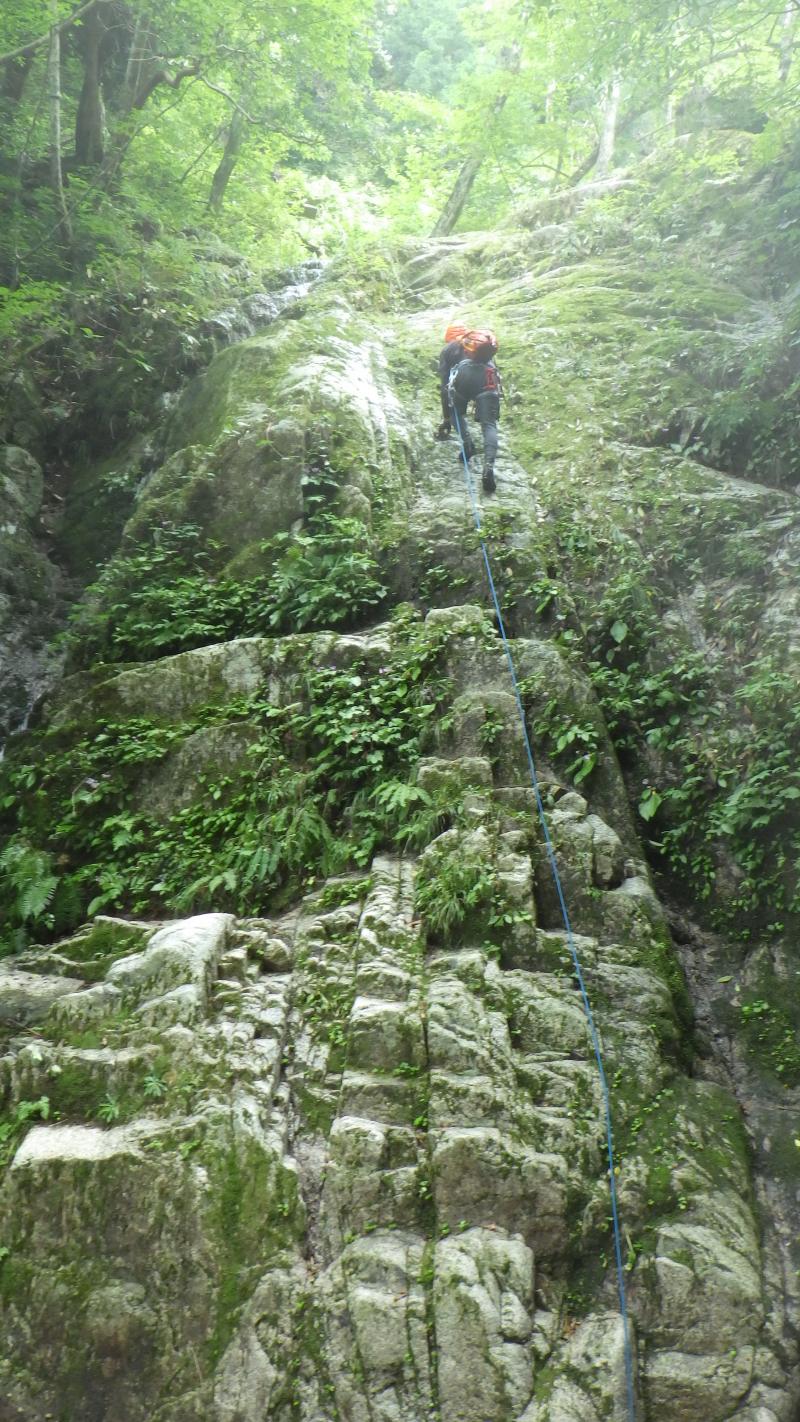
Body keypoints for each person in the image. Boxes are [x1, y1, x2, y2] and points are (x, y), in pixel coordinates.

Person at [435, 325, 501, 494]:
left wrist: (447, 418)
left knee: (455, 412)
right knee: (489, 425)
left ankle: (467, 443)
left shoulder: (448, 349)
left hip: (464, 378)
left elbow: (445, 386)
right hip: (488, 377)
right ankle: (488, 468)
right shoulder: (484, 349)